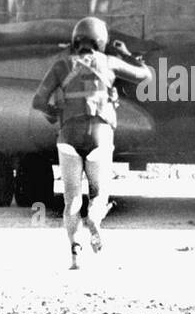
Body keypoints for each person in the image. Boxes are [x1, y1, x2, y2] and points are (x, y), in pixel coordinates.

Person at [31, 16, 152, 270]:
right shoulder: (109, 62)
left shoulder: (61, 65)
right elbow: (145, 76)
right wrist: (128, 55)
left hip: (68, 137)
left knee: (72, 199)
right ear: (101, 41)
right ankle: (95, 221)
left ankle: (75, 251)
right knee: (99, 192)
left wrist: (53, 113)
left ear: (76, 40)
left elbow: (38, 101)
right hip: (100, 133)